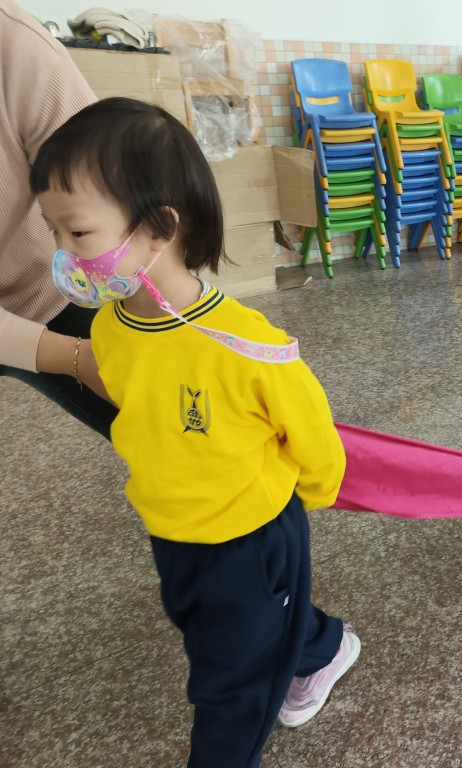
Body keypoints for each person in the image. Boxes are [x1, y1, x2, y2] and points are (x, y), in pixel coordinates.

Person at [30, 97, 359, 766]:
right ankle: (322, 644)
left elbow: (311, 427)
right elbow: (136, 403)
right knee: (206, 622)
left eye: (79, 233)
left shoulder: (244, 343)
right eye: (52, 231)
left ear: (159, 228)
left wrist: (317, 490)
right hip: (172, 527)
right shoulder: (110, 326)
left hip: (251, 537)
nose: (62, 254)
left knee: (229, 682)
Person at [0, 0, 117, 438]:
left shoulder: (16, 46)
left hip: (42, 288)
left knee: (175, 429)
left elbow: (113, 203)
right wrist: (75, 358)